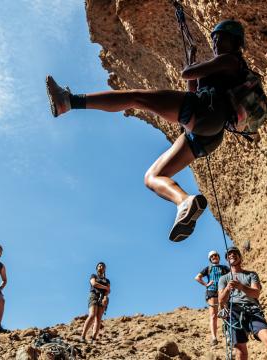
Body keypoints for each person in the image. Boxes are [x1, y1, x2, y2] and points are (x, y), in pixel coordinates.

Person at [46, 20, 251, 242]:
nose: (215, 42)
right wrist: (192, 64)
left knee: (136, 97)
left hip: (206, 111)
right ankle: (184, 201)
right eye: (214, 38)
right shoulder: (228, 68)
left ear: (234, 41)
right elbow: (193, 84)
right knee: (152, 176)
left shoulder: (230, 60)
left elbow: (187, 74)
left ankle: (68, 101)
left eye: (219, 37)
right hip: (209, 132)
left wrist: (191, 66)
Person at [218, 247, 267, 360]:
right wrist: (228, 289)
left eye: (235, 253)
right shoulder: (224, 279)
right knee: (241, 351)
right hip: (234, 312)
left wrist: (241, 287)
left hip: (252, 309)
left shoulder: (251, 275)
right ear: (227, 260)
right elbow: (221, 300)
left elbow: (256, 293)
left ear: (240, 257)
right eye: (229, 254)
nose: (232, 255)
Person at [195, 250, 230, 346]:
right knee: (213, 315)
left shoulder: (224, 268)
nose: (214, 257)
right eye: (212, 256)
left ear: (218, 257)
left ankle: (228, 335)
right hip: (212, 291)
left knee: (225, 313)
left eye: (216, 255)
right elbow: (197, 277)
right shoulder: (208, 268)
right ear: (210, 259)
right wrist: (206, 284)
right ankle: (214, 337)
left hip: (223, 290)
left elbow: (232, 275)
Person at [80, 262, 110, 343]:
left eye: (102, 266)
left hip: (102, 298)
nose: (101, 267)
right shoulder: (94, 276)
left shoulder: (107, 280)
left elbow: (108, 291)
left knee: (98, 318)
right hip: (94, 295)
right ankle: (83, 336)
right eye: (99, 266)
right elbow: (94, 284)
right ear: (97, 268)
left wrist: (105, 298)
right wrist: (105, 287)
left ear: (104, 269)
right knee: (92, 315)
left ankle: (93, 339)